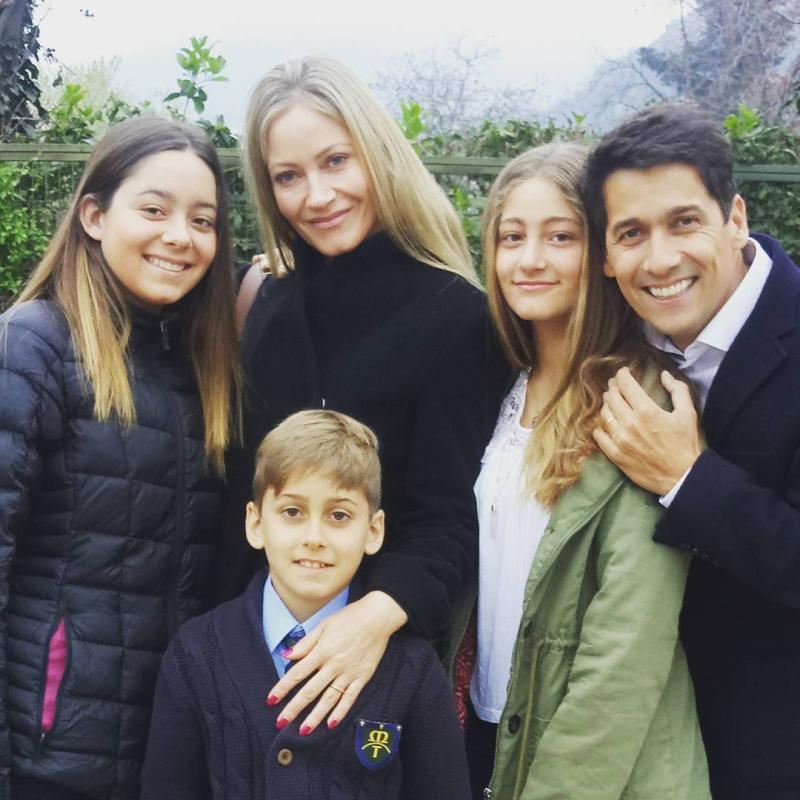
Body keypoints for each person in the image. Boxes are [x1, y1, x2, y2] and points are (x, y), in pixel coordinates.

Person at [219, 55, 504, 735]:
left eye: (336, 161)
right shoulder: (267, 303)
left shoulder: (456, 316)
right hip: (238, 660)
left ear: (378, 154)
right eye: (288, 176)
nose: (317, 195)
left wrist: (371, 620)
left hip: (368, 678)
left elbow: (451, 519)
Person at [0, 115, 241, 799]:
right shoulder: (33, 347)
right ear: (95, 216)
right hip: (47, 757)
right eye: (154, 210)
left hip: (166, 752)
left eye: (202, 220)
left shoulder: (205, 366)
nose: (180, 236)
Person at [465, 142, 709, 799]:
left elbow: (627, 648)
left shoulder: (640, 401)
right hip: (489, 726)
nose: (529, 259)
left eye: (559, 236)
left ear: (600, 254)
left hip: (597, 761)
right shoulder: (497, 387)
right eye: (511, 237)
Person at [584, 103, 800, 799]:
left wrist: (687, 479)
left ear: (734, 218)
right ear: (606, 256)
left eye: (684, 222)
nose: (660, 259)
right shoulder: (613, 347)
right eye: (631, 233)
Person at [142, 409, 471, 799]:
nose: (314, 537)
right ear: (256, 524)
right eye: (292, 512)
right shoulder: (195, 654)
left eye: (339, 515)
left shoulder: (412, 670)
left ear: (373, 530)